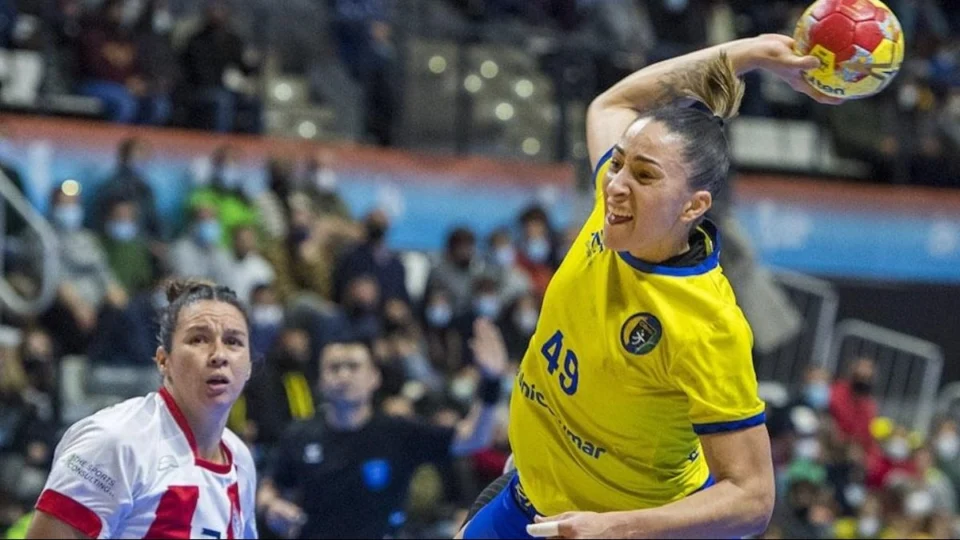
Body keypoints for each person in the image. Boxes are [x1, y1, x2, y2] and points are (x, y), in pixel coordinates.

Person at [457, 33, 840, 540]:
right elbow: (614, 103)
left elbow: (752, 498)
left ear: (693, 206)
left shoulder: (708, 326)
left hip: (621, 527)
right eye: (617, 163)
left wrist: (617, 527)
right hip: (532, 498)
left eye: (643, 175)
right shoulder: (612, 209)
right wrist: (746, 56)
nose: (615, 184)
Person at [25, 279, 259, 539]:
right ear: (163, 360)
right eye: (198, 339)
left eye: (233, 341)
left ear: (249, 365)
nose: (219, 355)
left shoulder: (240, 460)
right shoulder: (116, 442)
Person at [255, 319, 508, 539]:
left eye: (353, 366)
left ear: (374, 377)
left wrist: (491, 382)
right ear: (321, 380)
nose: (344, 375)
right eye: (334, 367)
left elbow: (473, 438)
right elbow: (270, 486)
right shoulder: (299, 435)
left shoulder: (398, 432)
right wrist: (271, 506)